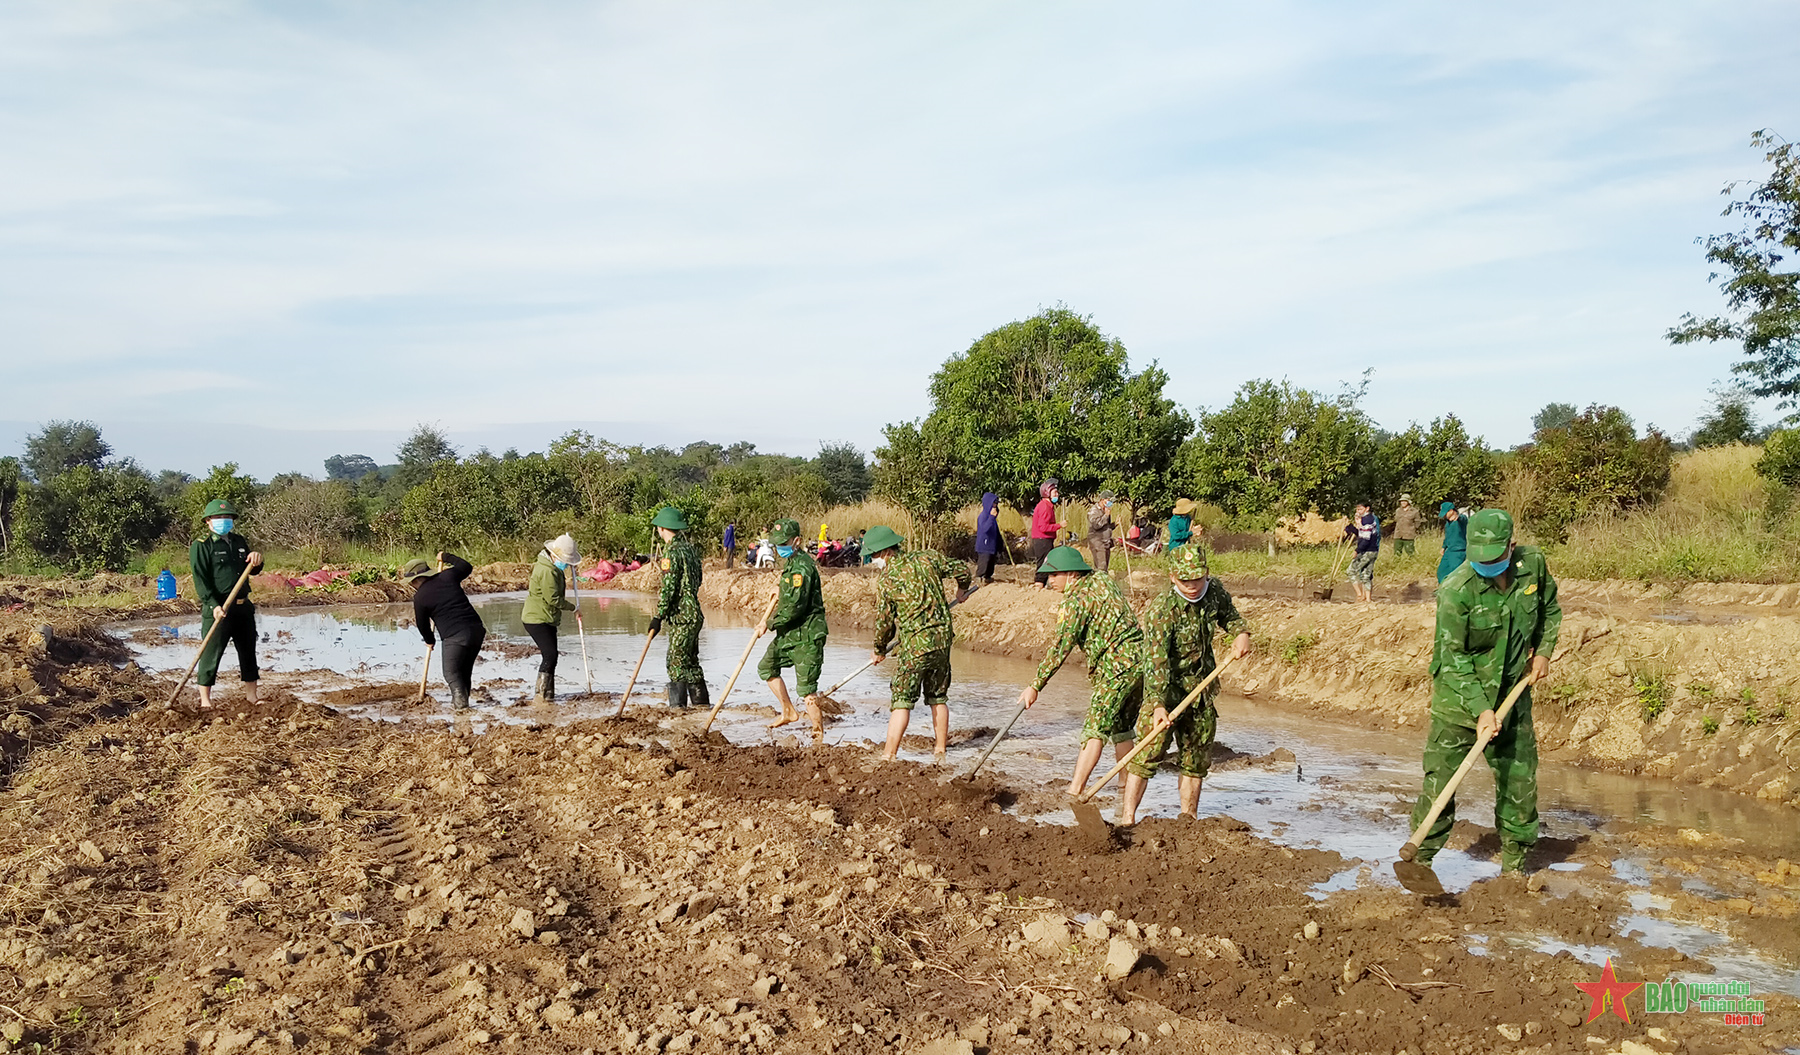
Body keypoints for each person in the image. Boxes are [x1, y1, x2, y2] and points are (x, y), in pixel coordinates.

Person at [1409, 509, 1560, 874]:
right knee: (1440, 784)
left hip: (1512, 695)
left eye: (1494, 558)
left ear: (1511, 545)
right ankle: (1420, 860)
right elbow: (1454, 658)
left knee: (1518, 780)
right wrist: (1480, 709)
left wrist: (1542, 651)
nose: (1487, 565)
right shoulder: (1455, 591)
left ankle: (1515, 865)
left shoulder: (1533, 565)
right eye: (1480, 559)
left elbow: (1550, 610)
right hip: (1459, 703)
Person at [1120, 545, 1251, 825]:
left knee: (1195, 760)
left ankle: (1188, 820)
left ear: (1206, 574)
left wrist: (1241, 633)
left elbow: (1232, 617)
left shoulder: (1214, 591)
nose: (1192, 586)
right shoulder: (1161, 610)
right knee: (1146, 754)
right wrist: (1156, 705)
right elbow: (1156, 662)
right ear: (1172, 577)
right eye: (1184, 580)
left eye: (1197, 579)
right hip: (1166, 692)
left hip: (1201, 692)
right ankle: (1127, 818)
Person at [1016, 546, 1144, 797]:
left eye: (1055, 575)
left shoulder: (1075, 602)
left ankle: (1075, 790)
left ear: (1073, 574)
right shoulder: (1103, 580)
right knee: (1122, 728)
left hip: (1115, 667)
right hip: (1141, 663)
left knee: (1095, 728)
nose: (1049, 581)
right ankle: (1123, 788)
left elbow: (1060, 648)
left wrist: (1035, 686)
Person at [865, 525, 971, 762]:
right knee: (938, 696)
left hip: (914, 645)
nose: (872, 561)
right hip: (941, 639)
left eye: (873, 556)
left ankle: (888, 754)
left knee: (902, 700)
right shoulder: (927, 558)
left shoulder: (887, 580)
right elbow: (962, 569)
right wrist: (961, 590)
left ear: (885, 553)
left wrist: (878, 650)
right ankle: (940, 750)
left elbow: (885, 622)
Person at [189, 498, 263, 710]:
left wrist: (257, 559)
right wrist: (213, 605)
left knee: (248, 651)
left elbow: (253, 569)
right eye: (219, 517)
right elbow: (201, 581)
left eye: (227, 517)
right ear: (208, 521)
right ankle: (205, 700)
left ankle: (252, 696)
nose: (224, 520)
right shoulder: (202, 546)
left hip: (242, 607)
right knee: (211, 654)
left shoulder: (239, 542)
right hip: (219, 609)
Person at [759, 519, 829, 740]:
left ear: (796, 541)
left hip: (807, 634)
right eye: (777, 544)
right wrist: (779, 588)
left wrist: (767, 624)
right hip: (789, 633)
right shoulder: (791, 564)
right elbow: (789, 590)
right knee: (767, 667)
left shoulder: (802, 567)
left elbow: (795, 607)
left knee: (807, 690)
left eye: (784, 543)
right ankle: (788, 710)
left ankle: (818, 734)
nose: (780, 548)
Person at [404, 552, 485, 710]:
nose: (410, 585)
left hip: (455, 636)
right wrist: (446, 556)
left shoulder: (420, 597)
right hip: (476, 630)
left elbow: (422, 624)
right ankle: (462, 704)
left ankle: (461, 709)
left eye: (411, 582)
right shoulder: (448, 576)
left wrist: (429, 641)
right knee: (464, 672)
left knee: (451, 674)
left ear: (416, 579)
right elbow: (466, 566)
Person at [649, 506, 707, 710]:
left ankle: (678, 710)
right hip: (695, 613)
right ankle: (701, 708)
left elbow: (669, 587)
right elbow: (698, 578)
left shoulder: (671, 553)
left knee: (675, 663)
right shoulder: (690, 549)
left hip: (681, 615)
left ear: (662, 528)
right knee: (691, 662)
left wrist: (658, 616)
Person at [523, 533, 579, 702]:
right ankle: (541, 695)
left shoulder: (552, 567)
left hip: (547, 617)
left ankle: (549, 695)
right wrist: (573, 608)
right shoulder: (547, 570)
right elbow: (552, 598)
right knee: (550, 655)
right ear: (554, 555)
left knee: (552, 657)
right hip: (537, 618)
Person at [1030, 478, 1065, 588]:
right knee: (1044, 563)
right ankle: (1039, 583)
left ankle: (1043, 583)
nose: (1057, 494)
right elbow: (1043, 526)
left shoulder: (1048, 506)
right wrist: (1059, 525)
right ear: (1047, 493)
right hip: (1042, 539)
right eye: (1055, 492)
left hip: (1045, 539)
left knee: (1046, 561)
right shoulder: (1044, 507)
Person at [1343, 501, 1380, 603]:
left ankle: (1359, 595)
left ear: (1367, 509)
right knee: (1366, 574)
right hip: (1373, 550)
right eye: (1357, 509)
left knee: (1351, 571)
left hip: (1367, 551)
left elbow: (1366, 538)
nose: (1358, 511)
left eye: (1360, 509)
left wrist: (1357, 550)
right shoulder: (1369, 519)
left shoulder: (1367, 520)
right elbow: (1361, 533)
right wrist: (1353, 527)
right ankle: (1367, 599)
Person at [974, 492, 1002, 584]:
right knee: (984, 562)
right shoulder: (983, 517)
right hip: (984, 545)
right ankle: (979, 577)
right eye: (993, 503)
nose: (995, 506)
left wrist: (1000, 544)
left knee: (991, 563)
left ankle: (987, 577)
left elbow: (996, 532)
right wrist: (991, 517)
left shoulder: (993, 519)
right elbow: (985, 529)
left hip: (992, 546)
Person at [1086, 492, 1117, 572]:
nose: (1111, 503)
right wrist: (1106, 515)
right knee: (1101, 567)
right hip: (1097, 541)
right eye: (1109, 500)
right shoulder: (1094, 511)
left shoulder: (1106, 510)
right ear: (1103, 500)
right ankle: (1100, 583)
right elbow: (1096, 525)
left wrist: (1114, 524)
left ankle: (1103, 582)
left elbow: (1105, 527)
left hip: (1106, 542)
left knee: (1105, 567)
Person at [1437, 502, 1467, 583]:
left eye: (1445, 513)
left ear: (1451, 511)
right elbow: (1447, 536)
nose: (1444, 515)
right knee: (1442, 571)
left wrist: (1458, 517)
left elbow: (1463, 519)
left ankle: (1454, 591)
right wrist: (1444, 547)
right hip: (1449, 550)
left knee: (1454, 573)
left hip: (1458, 551)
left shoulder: (1461, 519)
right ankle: (1442, 588)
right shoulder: (1447, 523)